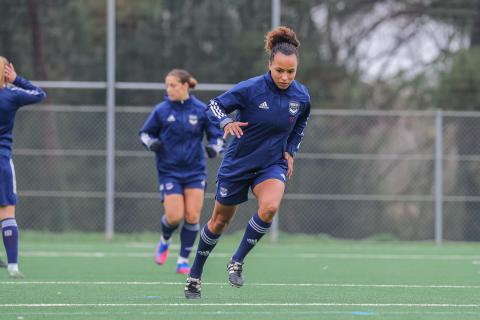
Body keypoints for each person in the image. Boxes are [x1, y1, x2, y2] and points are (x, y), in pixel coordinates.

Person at [184, 26, 311, 299]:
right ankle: (194, 275)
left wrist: (290, 149)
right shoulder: (251, 89)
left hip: (271, 164)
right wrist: (227, 121)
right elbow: (214, 106)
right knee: (219, 221)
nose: (285, 77)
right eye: (280, 71)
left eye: (291, 72)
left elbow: (300, 125)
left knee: (270, 207)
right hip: (239, 163)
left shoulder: (301, 97)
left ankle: (237, 260)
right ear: (270, 65)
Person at [139, 69, 224, 274]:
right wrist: (152, 143)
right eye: (167, 86)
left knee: (193, 216)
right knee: (175, 216)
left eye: (173, 85)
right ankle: (165, 239)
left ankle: (183, 260)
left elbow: (217, 136)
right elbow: (144, 134)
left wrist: (214, 147)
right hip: (169, 171)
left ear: (185, 86)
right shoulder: (161, 110)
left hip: (195, 171)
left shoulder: (201, 110)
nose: (169, 90)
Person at [0, 57, 46, 278]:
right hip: (2, 161)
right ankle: (13, 266)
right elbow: (39, 94)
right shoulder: (11, 95)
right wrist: (17, 79)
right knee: (7, 212)